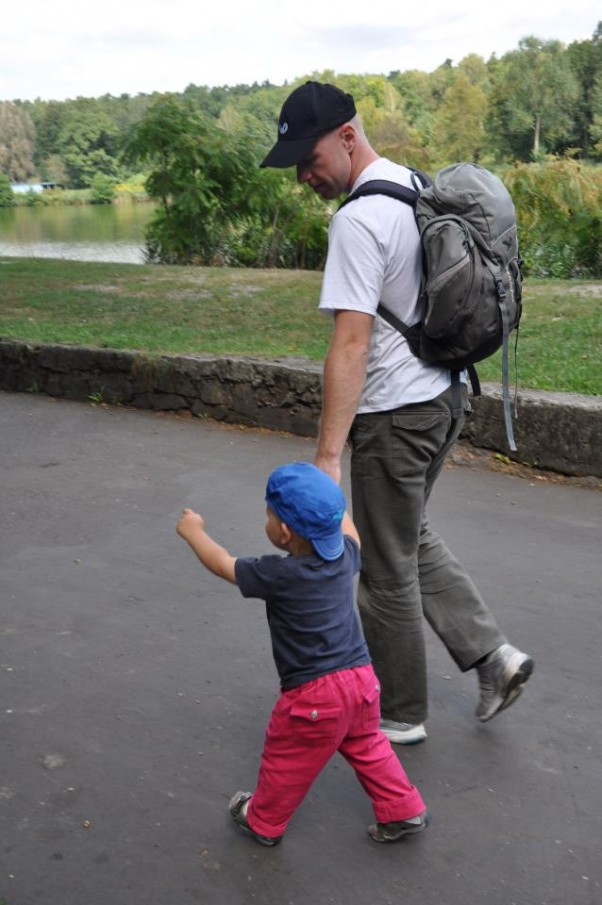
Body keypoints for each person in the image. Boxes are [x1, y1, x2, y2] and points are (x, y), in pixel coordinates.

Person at [260, 81, 534, 746]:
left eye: (310, 157)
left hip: (396, 412)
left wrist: (327, 458)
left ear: (348, 137)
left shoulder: (357, 220)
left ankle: (400, 715)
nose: (304, 174)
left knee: (383, 569)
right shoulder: (414, 186)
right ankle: (494, 655)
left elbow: (351, 344)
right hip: (446, 396)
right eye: (295, 162)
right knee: (407, 538)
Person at [176, 461, 429, 846]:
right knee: (368, 746)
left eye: (268, 515)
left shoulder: (279, 574)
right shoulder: (345, 555)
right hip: (361, 681)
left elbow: (224, 565)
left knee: (286, 758)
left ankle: (262, 821)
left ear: (283, 532)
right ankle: (403, 809)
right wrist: (331, 498)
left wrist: (194, 533)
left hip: (314, 694)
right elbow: (351, 531)